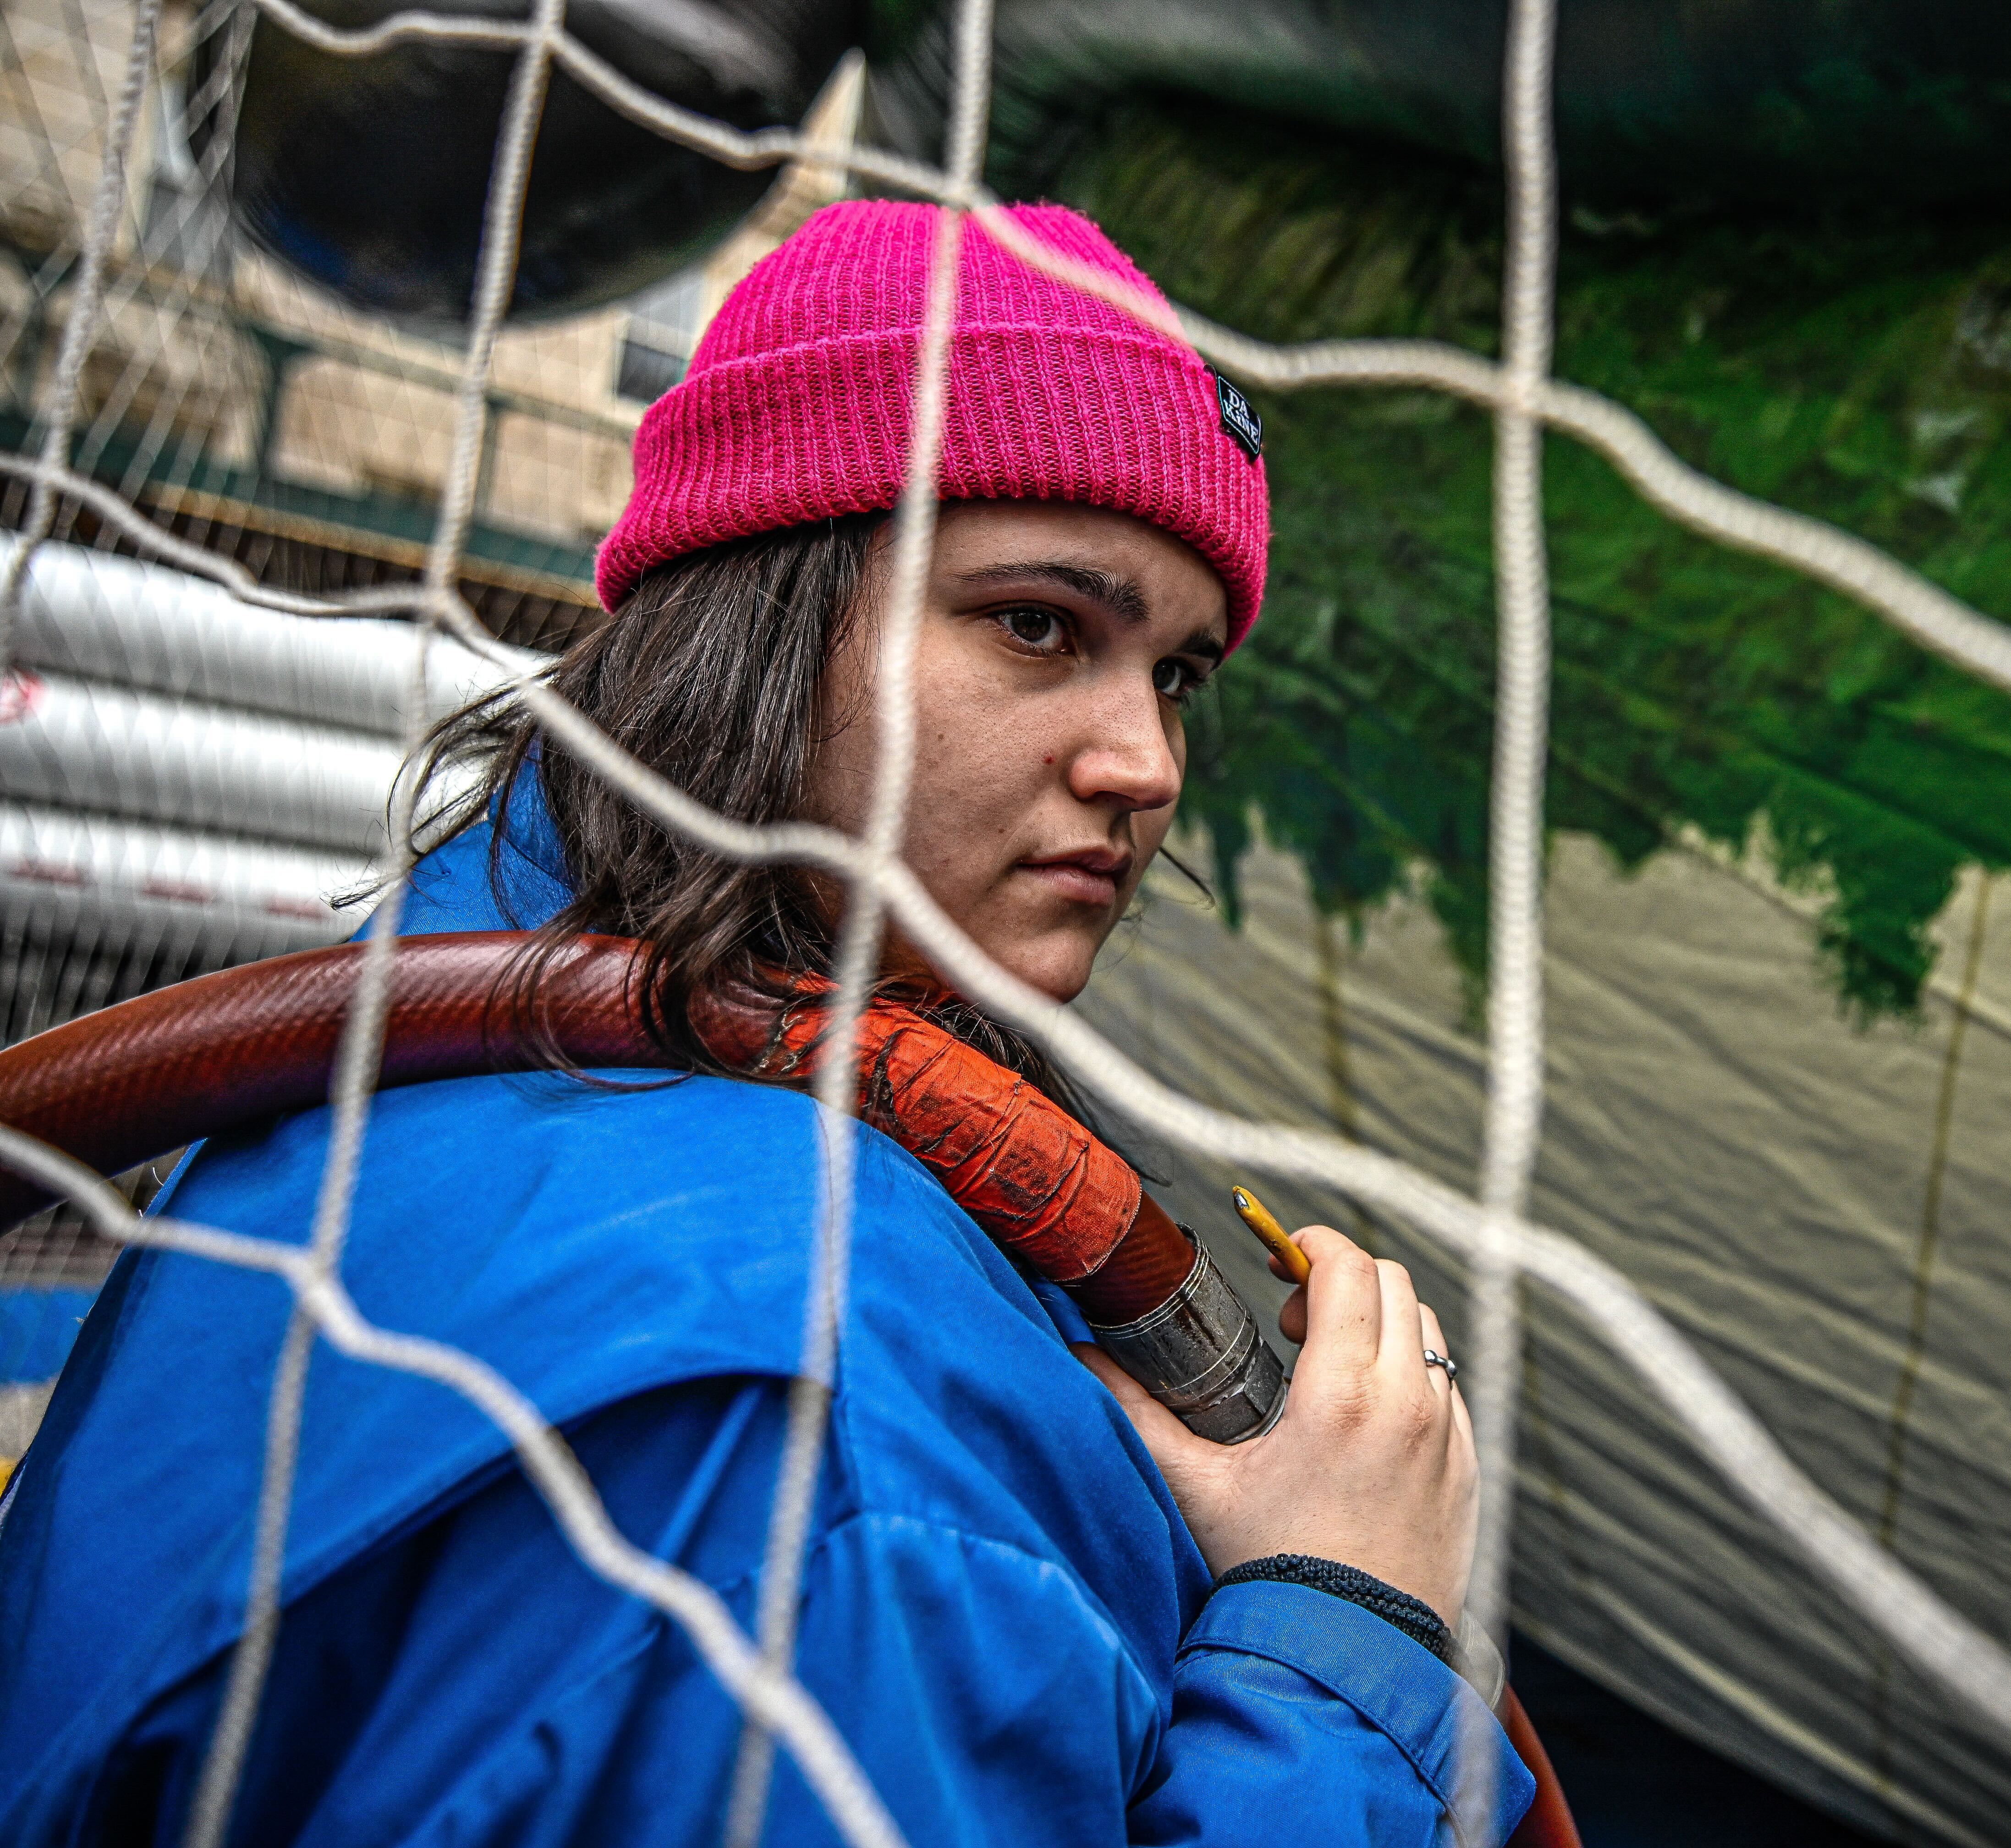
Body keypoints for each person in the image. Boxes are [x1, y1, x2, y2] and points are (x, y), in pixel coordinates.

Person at [0, 202, 1532, 1846]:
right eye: (1040, 625)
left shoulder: (465, 1009)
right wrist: (1338, 1629)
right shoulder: (825, 1437)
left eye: (1179, 675)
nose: (1146, 767)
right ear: (760, 618)